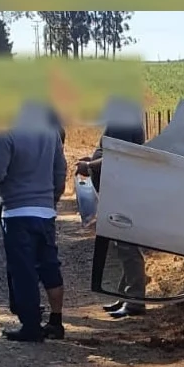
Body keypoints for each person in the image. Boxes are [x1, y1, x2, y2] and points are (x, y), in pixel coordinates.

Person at [0, 101, 67, 341]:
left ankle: (31, 326)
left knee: (24, 271)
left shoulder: (5, 132)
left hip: (17, 212)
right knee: (50, 266)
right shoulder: (50, 132)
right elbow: (60, 172)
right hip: (45, 212)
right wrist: (51, 199)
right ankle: (56, 320)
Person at [77, 116, 146, 318]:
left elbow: (121, 156)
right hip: (120, 188)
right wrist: (93, 162)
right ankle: (127, 296)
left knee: (127, 245)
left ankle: (135, 299)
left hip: (123, 189)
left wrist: (90, 167)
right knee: (123, 244)